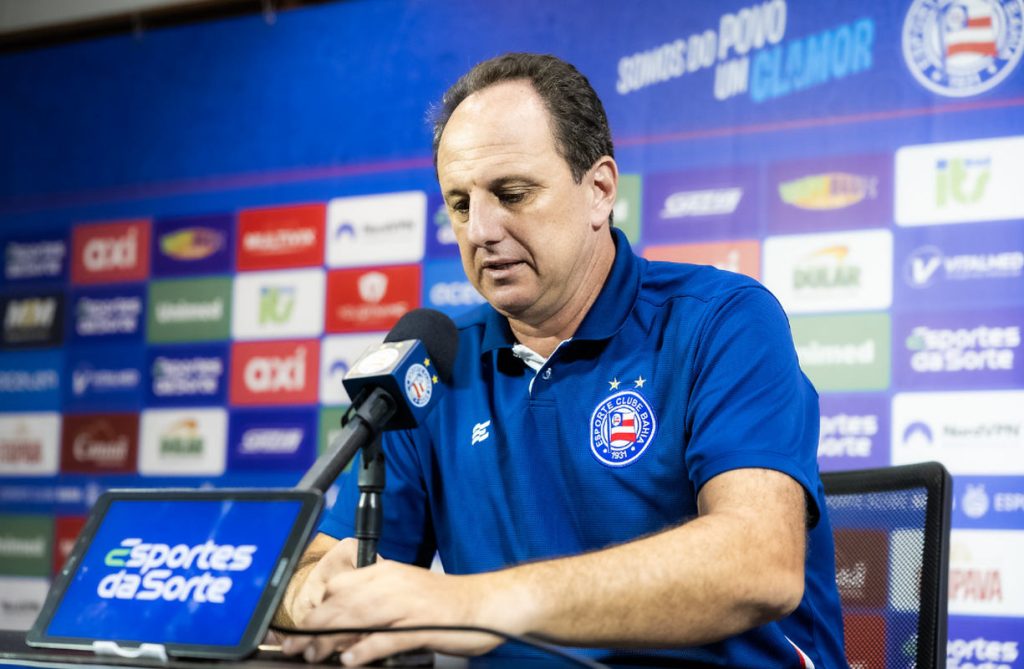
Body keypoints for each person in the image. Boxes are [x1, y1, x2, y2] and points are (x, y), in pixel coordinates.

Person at [275, 52, 848, 668]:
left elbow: (759, 564)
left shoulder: (721, 319)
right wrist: (310, 587)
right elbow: (319, 558)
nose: (481, 231)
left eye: (512, 194)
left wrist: (478, 603)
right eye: (461, 204)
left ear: (599, 191)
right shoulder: (430, 362)